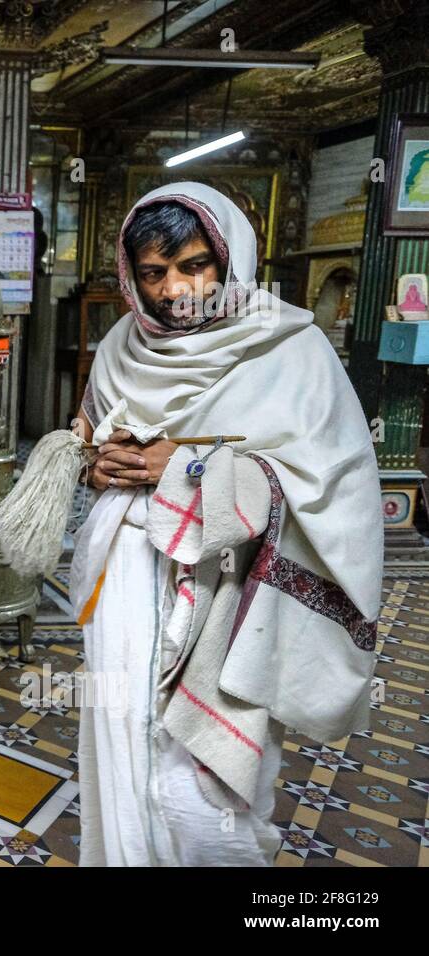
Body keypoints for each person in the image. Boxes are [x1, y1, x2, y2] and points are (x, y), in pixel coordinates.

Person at [70, 181, 382, 866]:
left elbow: (329, 489)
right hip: (128, 579)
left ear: (229, 257)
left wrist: (184, 468)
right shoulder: (124, 344)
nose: (175, 290)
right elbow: (92, 439)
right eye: (153, 273)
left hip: (231, 594)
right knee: (122, 736)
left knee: (201, 789)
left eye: (193, 265)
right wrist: (97, 467)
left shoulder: (290, 349)